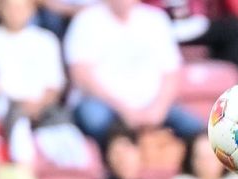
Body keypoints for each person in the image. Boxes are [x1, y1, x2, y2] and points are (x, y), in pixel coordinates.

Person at [63, 0, 197, 140]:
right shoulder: (86, 20)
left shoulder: (156, 19)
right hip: (105, 105)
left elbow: (171, 72)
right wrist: (125, 110)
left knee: (196, 129)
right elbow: (81, 75)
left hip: (153, 105)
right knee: (95, 120)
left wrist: (158, 109)